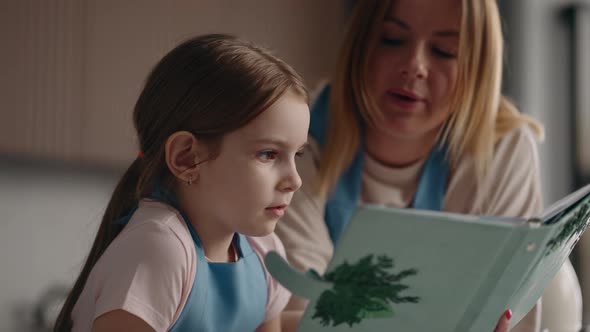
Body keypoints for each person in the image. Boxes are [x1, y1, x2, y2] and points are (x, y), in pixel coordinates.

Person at [274, 0, 582, 331]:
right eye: (392, 39)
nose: (415, 65)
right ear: (360, 44)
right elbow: (304, 311)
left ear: (477, 67)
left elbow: (507, 310)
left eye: (444, 50)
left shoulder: (502, 149)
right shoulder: (297, 139)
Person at [53, 34, 310, 332]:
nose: (295, 180)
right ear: (186, 157)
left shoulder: (266, 251)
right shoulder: (159, 250)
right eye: (268, 154)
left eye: (298, 154)